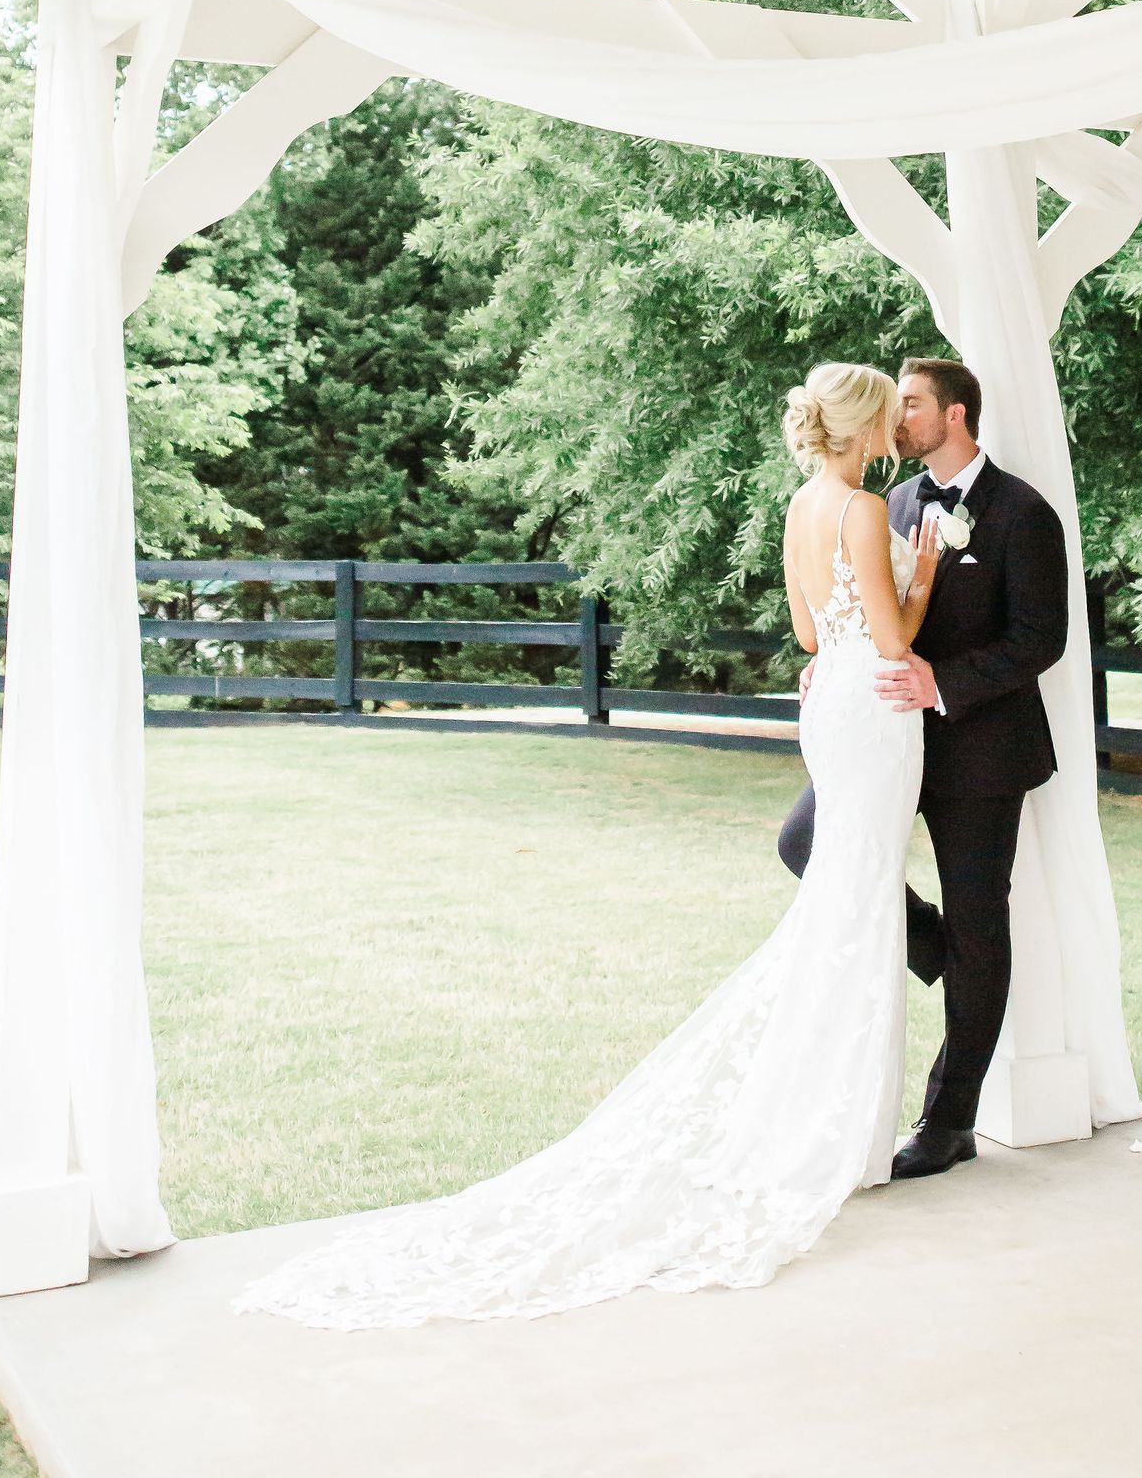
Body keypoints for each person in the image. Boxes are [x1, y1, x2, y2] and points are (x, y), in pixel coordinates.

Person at [233, 360, 944, 1332]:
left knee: (849, 904)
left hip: (830, 705)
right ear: (866, 428)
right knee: (858, 906)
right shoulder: (863, 510)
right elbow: (893, 642)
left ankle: (837, 1129)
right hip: (875, 706)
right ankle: (838, 1137)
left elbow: (810, 634)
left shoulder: (797, 508)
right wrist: (928, 568)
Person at [777, 358, 1069, 1180]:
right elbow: (863, 609)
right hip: (883, 738)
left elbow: (1039, 640)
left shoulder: (1022, 513)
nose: (898, 418)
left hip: (979, 746)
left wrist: (942, 683)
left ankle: (952, 1119)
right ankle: (940, 951)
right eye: (893, 405)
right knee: (804, 843)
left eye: (912, 404)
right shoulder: (891, 502)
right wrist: (837, 655)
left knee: (983, 914)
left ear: (957, 415)